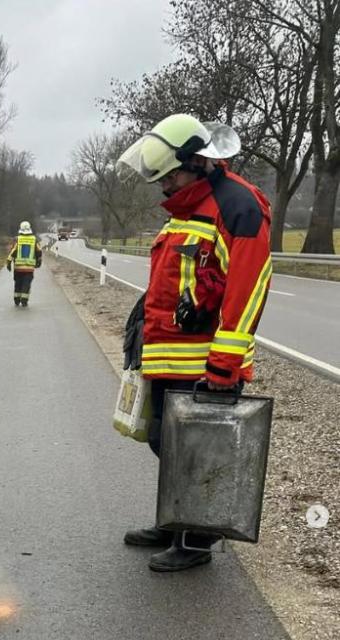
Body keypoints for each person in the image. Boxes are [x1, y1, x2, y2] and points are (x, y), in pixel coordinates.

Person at [117, 113, 272, 572]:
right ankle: (174, 521)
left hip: (206, 362)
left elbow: (248, 289)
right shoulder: (187, 206)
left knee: (198, 450)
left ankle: (197, 541)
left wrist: (225, 363)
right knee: (166, 441)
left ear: (199, 162)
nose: (163, 187)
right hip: (169, 356)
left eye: (170, 176)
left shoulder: (238, 206)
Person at [5, 221, 42, 306]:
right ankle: (24, 301)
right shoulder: (34, 239)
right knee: (26, 284)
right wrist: (39, 261)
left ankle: (17, 300)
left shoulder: (17, 239)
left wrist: (8, 262)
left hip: (18, 268)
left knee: (18, 283)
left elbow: (13, 252)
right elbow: (39, 251)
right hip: (29, 268)